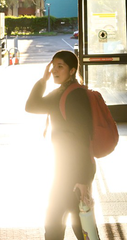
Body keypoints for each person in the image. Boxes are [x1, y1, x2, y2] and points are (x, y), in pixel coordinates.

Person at [25, 50, 95, 240]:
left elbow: (82, 138)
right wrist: (43, 80)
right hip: (63, 168)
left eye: (60, 66)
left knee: (71, 221)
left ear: (72, 70)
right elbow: (31, 106)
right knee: (71, 221)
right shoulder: (60, 93)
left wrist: (83, 179)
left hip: (73, 171)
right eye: (53, 65)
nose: (55, 70)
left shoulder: (75, 96)